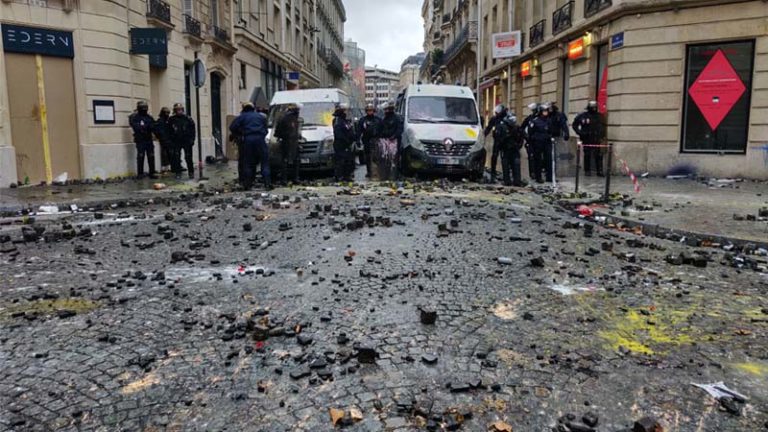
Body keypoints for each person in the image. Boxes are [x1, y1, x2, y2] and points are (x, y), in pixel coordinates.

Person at [230, 102, 271, 190]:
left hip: (248, 140)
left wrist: (240, 132)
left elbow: (232, 127)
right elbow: (266, 129)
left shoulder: (242, 117)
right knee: (264, 162)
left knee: (247, 163)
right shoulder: (260, 116)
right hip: (260, 140)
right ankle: (267, 183)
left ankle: (248, 184)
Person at [572, 101, 605, 176]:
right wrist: (580, 132)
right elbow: (575, 125)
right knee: (587, 155)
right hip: (586, 138)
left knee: (598, 155)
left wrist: (602, 136)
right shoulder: (583, 115)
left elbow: (602, 126)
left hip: (596, 138)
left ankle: (599, 171)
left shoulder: (599, 116)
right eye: (592, 107)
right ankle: (587, 170)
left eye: (595, 107)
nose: (594, 109)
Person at [525, 103, 554, 183]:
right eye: (544, 111)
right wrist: (531, 142)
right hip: (537, 143)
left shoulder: (549, 121)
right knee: (538, 160)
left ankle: (549, 177)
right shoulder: (535, 121)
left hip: (547, 143)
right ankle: (538, 177)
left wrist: (550, 137)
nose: (546, 113)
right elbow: (530, 133)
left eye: (546, 111)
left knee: (548, 159)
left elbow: (551, 131)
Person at [129, 101, 157, 179]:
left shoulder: (149, 117)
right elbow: (136, 128)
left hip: (148, 139)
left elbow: (153, 126)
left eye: (145, 108)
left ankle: (152, 172)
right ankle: (140, 173)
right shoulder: (135, 117)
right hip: (140, 140)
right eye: (142, 108)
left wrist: (147, 127)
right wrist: (145, 127)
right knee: (141, 156)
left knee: (151, 156)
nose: (144, 109)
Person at [274, 103, 302, 183]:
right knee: (295, 160)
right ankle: (295, 178)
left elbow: (277, 132)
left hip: (286, 141)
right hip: (293, 141)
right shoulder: (295, 119)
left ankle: (284, 179)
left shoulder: (283, 118)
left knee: (285, 160)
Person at [168, 103, 196, 180]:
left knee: (188, 157)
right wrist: (170, 141)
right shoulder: (171, 119)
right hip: (176, 141)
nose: (179, 111)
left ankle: (191, 172)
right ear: (175, 110)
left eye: (180, 109)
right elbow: (169, 131)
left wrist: (192, 139)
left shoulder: (188, 118)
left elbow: (193, 130)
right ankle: (178, 173)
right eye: (177, 109)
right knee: (176, 158)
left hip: (186, 141)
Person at [377, 101, 403, 181]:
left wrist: (394, 136)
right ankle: (386, 175)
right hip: (385, 141)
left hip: (394, 141)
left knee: (394, 158)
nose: (386, 111)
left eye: (387, 110)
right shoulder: (384, 118)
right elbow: (381, 129)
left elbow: (399, 129)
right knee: (386, 159)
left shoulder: (397, 118)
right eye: (385, 110)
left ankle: (395, 175)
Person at [498, 112, 524, 187]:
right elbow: (499, 139)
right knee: (506, 166)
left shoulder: (517, 128)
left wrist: (519, 145)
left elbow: (521, 137)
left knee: (516, 164)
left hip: (515, 149)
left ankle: (517, 181)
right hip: (506, 149)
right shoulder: (502, 127)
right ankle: (507, 181)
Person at [484, 104, 508, 183]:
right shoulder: (494, 119)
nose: (496, 113)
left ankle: (506, 174)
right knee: (494, 156)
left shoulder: (507, 118)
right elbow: (488, 128)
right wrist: (483, 136)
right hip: (497, 140)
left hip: (505, 141)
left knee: (505, 158)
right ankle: (493, 173)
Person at [332, 103, 356, 182]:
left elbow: (349, 130)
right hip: (341, 145)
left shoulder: (345, 121)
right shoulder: (337, 120)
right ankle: (340, 177)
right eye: (345, 111)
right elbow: (339, 133)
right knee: (341, 161)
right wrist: (346, 141)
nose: (346, 113)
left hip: (347, 145)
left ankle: (347, 176)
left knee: (348, 161)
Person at [357, 103, 381, 178]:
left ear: (374, 111)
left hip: (376, 140)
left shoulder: (378, 120)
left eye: (371, 110)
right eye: (368, 110)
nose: (370, 112)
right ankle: (369, 172)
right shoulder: (362, 120)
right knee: (367, 157)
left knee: (376, 157)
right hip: (366, 140)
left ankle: (376, 171)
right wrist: (358, 139)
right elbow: (359, 130)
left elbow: (382, 129)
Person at [520, 102, 539, 182]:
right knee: (531, 157)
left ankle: (538, 173)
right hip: (530, 141)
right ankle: (532, 173)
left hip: (539, 141)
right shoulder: (529, 118)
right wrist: (525, 136)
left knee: (538, 158)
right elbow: (522, 128)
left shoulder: (541, 118)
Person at [153, 107, 173, 174]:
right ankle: (164, 167)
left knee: (170, 153)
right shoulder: (160, 121)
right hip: (163, 140)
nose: (167, 114)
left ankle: (170, 167)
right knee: (164, 154)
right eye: (166, 113)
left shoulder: (169, 121)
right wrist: (160, 137)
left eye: (168, 113)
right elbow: (156, 130)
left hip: (169, 140)